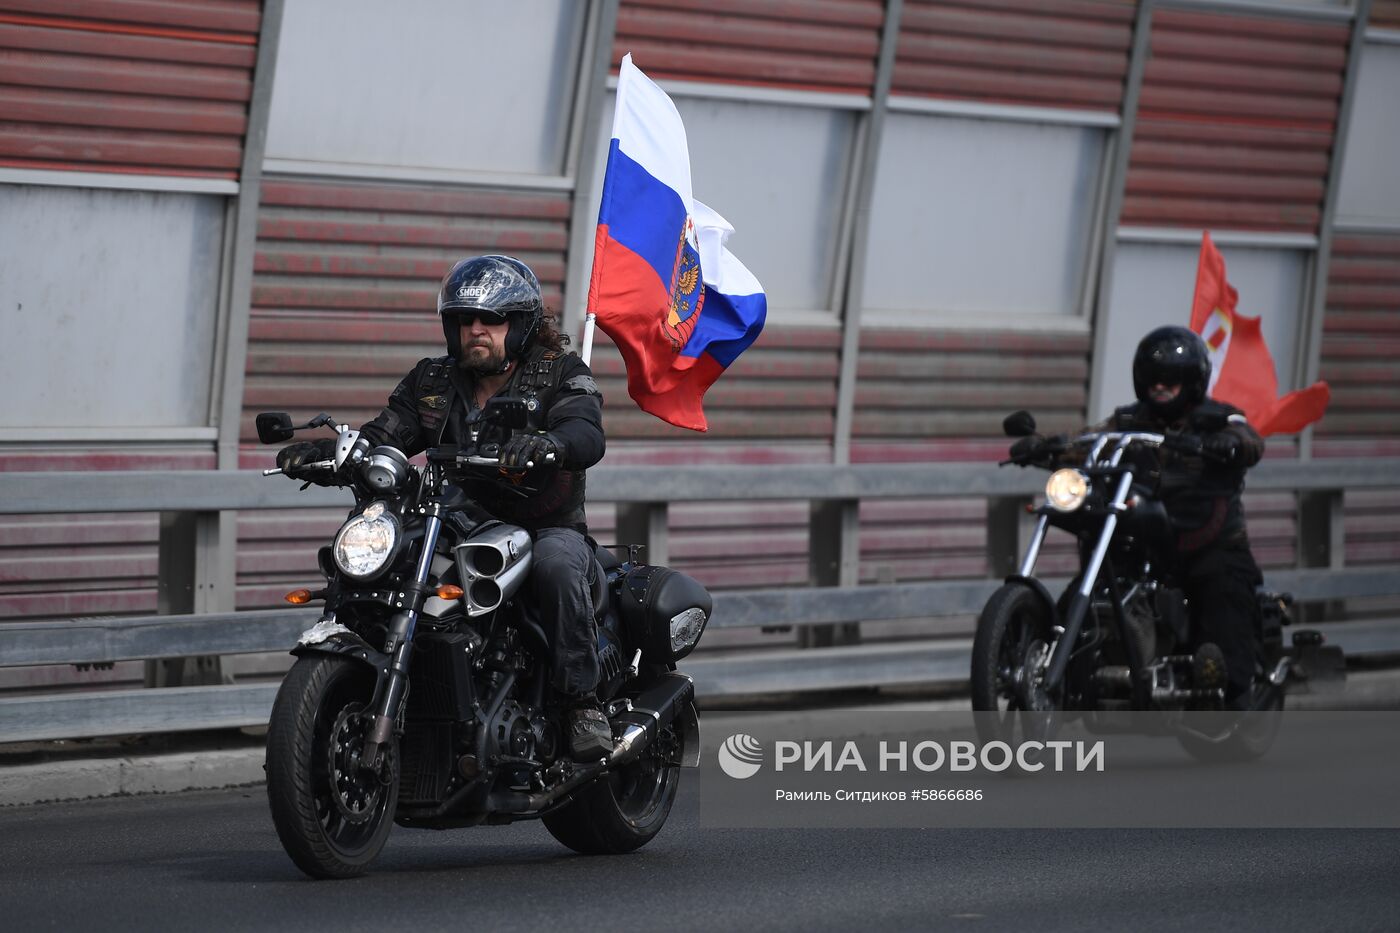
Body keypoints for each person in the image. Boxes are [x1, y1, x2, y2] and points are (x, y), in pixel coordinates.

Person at [276, 255, 612, 760]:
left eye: (490, 319)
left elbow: (586, 430)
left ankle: (581, 703)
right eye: (463, 319)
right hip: (451, 518)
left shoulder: (559, 372)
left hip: (541, 526)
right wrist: (337, 453)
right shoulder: (431, 380)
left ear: (520, 326)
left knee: (558, 565)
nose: (475, 330)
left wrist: (552, 444)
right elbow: (385, 434)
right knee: (387, 555)